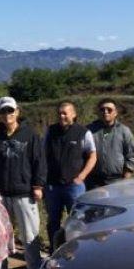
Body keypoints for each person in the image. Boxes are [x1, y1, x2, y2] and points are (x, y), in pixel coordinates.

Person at [0, 96, 45, 269]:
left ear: (17, 111)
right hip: (0, 195)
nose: (7, 114)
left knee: (29, 237)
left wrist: (38, 185)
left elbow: (39, 161)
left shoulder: (30, 135)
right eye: (3, 111)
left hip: (24, 193)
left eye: (10, 110)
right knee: (1, 237)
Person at [45, 101, 97, 252]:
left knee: (78, 221)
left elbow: (92, 155)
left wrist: (82, 176)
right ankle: (54, 251)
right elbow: (43, 154)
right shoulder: (51, 131)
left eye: (65, 113)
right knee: (53, 222)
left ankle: (77, 251)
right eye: (59, 113)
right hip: (53, 185)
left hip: (74, 186)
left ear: (73, 114)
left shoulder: (83, 132)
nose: (61, 116)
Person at [86, 99, 134, 189]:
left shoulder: (124, 131)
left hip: (117, 181)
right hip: (93, 182)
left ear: (115, 113)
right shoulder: (89, 131)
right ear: (98, 113)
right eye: (102, 110)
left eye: (109, 110)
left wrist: (126, 180)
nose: (106, 112)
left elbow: (131, 157)